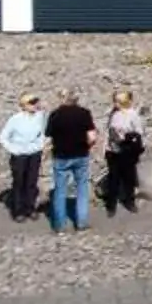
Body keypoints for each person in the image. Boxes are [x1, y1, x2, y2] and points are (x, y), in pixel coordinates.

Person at [42, 91, 98, 233]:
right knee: (82, 188)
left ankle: (60, 226)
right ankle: (82, 223)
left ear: (62, 99)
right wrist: (87, 146)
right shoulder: (84, 113)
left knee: (60, 190)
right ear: (76, 99)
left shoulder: (55, 115)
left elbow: (47, 136)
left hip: (61, 156)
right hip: (80, 155)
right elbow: (92, 137)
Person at [0, 93, 48, 222]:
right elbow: (3, 137)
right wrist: (14, 149)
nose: (35, 105)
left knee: (32, 182)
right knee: (19, 182)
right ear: (23, 106)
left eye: (35, 102)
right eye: (31, 103)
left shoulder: (39, 116)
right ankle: (18, 211)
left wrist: (41, 145)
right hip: (19, 155)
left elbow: (44, 130)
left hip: (34, 154)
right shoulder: (15, 119)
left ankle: (30, 208)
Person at [100, 89, 146, 217]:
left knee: (128, 177)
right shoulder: (113, 114)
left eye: (117, 101)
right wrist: (105, 148)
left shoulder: (132, 114)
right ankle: (111, 205)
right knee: (113, 178)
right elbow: (108, 132)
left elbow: (139, 132)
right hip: (113, 150)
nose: (115, 104)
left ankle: (130, 201)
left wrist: (130, 139)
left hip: (127, 151)